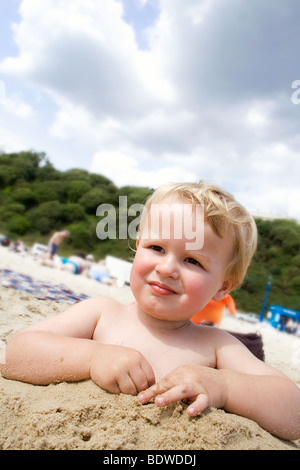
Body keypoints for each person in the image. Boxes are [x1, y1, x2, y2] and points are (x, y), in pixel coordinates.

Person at [1, 181, 299, 440]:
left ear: (223, 287)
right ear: (138, 245)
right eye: (156, 248)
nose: (167, 267)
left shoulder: (216, 345)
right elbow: (16, 354)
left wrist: (223, 385)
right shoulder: (102, 313)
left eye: (192, 261)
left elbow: (292, 412)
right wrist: (93, 356)